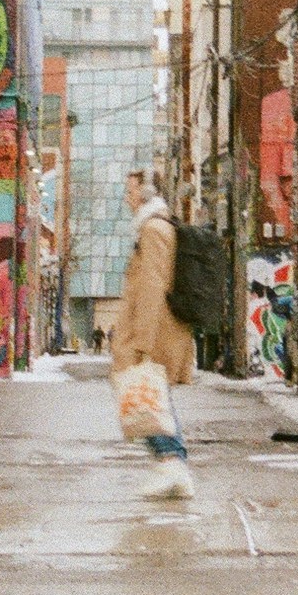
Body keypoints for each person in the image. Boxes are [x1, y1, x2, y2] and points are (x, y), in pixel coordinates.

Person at [110, 169, 198, 500]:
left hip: (152, 332)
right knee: (151, 399)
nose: (127, 198)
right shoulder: (154, 227)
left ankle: (172, 462)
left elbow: (152, 286)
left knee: (148, 398)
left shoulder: (153, 229)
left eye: (130, 191)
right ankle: (172, 465)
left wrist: (142, 344)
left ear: (146, 194)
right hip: (154, 330)